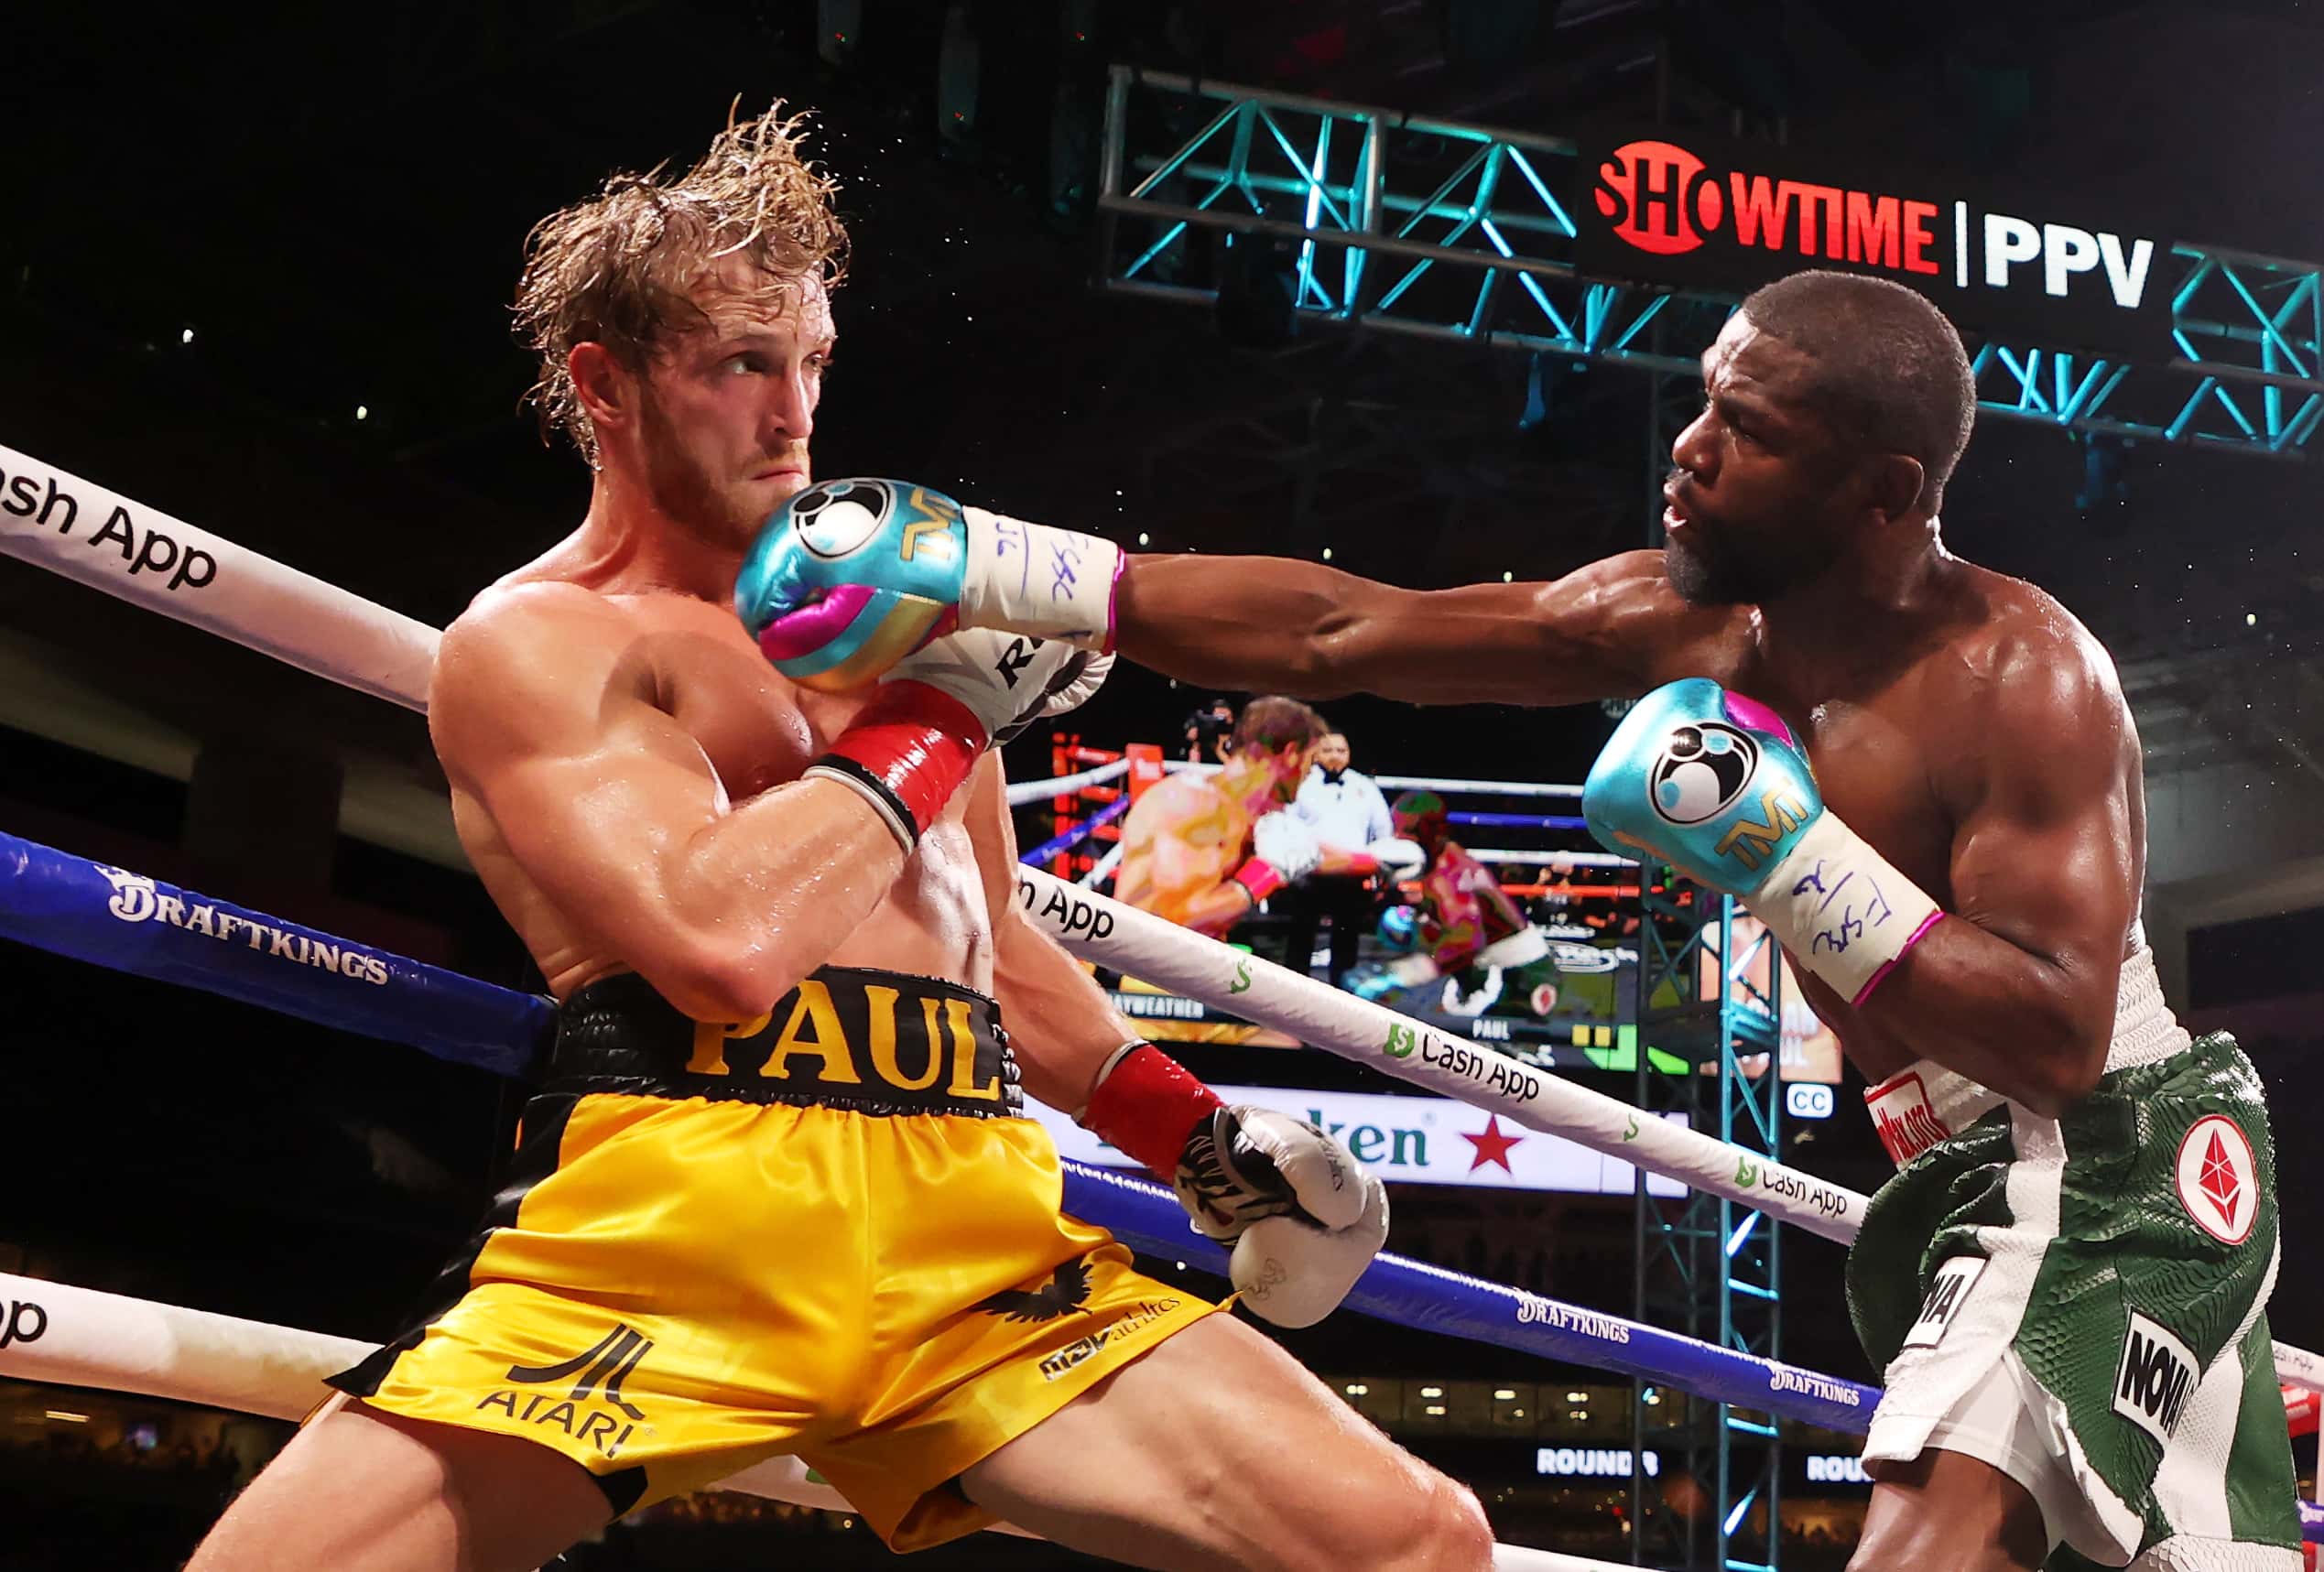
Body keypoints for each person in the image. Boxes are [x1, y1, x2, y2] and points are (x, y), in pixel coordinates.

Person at [744, 269, 2301, 1569]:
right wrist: (1006, 568)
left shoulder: (2018, 679)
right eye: (1702, 401)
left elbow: (2060, 1035)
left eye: (1744, 434)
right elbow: (1349, 629)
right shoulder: (1671, 618)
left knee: (1927, 1530)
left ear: (1883, 491)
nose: (1686, 450)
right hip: (1946, 1166)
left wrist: (1783, 848)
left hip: (2095, 1158)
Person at [185, 106, 1491, 1572]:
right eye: (741, 364)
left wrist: (1191, 1132)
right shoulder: (543, 640)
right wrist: (939, 715)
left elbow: (985, 946)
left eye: (809, 361)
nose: (793, 414)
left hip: (966, 1217)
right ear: (602, 386)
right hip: (682, 1214)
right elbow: (717, 945)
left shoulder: (894, 641)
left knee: (1413, 1540)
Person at [1114, 696, 1373, 936]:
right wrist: (1262, 876)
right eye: (1311, 760)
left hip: (1184, 971)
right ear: (1291, 754)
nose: (1310, 773)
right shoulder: (1198, 805)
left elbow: (1308, 852)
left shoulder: (1239, 810)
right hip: (1139, 975)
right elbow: (1172, 921)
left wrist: (1378, 860)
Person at [1346, 792, 1558, 1021]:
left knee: (1479, 1051)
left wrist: (1398, 974)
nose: (1399, 837)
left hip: (1518, 975)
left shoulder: (1449, 873)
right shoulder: (1435, 862)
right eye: (1396, 829)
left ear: (1432, 832)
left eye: (1408, 831)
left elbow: (1466, 942)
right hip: (1488, 970)